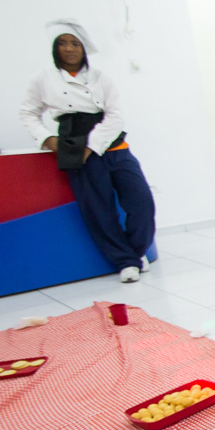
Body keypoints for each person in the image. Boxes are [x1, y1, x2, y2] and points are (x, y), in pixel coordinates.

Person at [19, 19, 156, 283]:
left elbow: (115, 116)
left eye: (75, 43)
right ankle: (126, 262)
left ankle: (136, 252)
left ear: (84, 48)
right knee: (98, 210)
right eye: (62, 43)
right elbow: (27, 112)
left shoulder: (101, 78)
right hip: (72, 145)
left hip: (112, 145)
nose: (69, 49)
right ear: (55, 49)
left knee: (141, 202)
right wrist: (47, 139)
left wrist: (92, 146)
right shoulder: (42, 79)